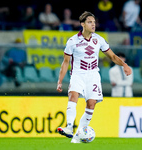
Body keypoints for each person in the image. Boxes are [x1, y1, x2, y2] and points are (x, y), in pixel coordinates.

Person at [56, 11, 132, 143]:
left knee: (91, 105)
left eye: (94, 22)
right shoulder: (73, 41)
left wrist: (124, 65)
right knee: (73, 96)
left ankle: (79, 135)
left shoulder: (99, 40)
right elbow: (66, 62)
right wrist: (60, 81)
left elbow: (112, 56)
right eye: (90, 22)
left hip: (93, 76)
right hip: (78, 74)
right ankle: (69, 127)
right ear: (82, 24)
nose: (93, 24)